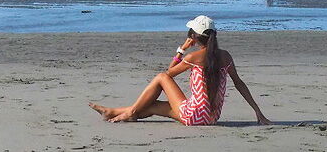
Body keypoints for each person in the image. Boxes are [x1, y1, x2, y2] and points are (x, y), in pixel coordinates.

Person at [88, 15, 271, 126]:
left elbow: (168, 73)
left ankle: (129, 112)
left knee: (160, 77)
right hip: (212, 118)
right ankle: (112, 112)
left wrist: (182, 49)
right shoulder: (226, 57)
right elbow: (239, 84)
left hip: (194, 115)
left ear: (194, 37)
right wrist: (257, 111)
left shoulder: (194, 58)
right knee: (152, 106)